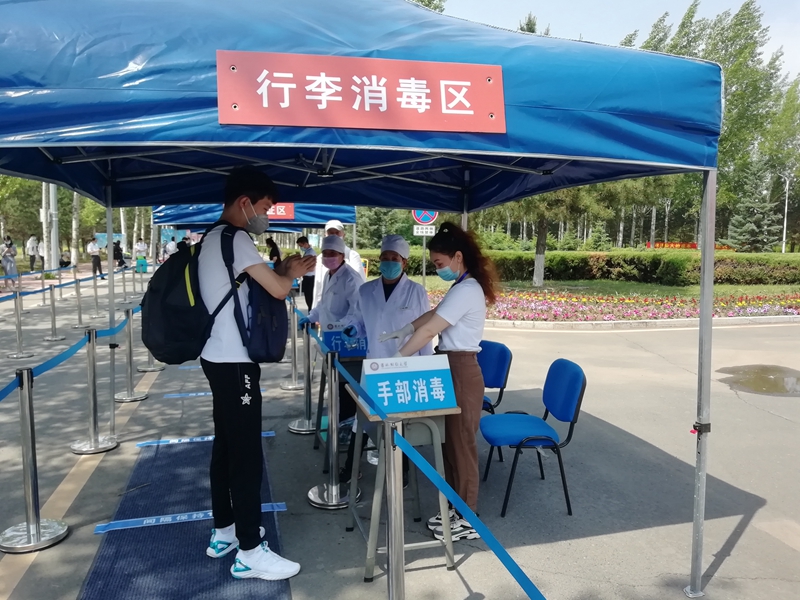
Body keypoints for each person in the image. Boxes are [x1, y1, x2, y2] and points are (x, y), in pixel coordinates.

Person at [199, 166, 314, 581]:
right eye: (264, 207)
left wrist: (283, 272)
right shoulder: (236, 238)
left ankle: (225, 530)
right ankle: (249, 550)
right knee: (246, 454)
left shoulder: (211, 238)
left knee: (226, 446)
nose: (266, 215)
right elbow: (278, 289)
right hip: (235, 362)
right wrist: (292, 273)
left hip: (215, 355)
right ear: (245, 203)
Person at [384, 222, 499, 542]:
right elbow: (433, 315)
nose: (437, 269)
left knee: (461, 445)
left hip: (460, 369)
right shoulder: (461, 286)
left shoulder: (467, 289)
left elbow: (430, 329)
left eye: (439, 263)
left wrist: (397, 358)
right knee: (449, 443)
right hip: (450, 366)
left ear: (458, 257)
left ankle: (468, 516)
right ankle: (455, 505)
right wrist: (405, 329)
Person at [340, 234, 432, 482]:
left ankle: (402, 471)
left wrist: (427, 365)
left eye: (394, 258)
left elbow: (425, 331)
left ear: (404, 262)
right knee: (364, 418)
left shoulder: (416, 292)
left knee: (400, 421)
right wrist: (352, 329)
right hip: (375, 364)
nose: (389, 262)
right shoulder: (366, 290)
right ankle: (350, 467)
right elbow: (359, 320)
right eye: (385, 257)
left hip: (405, 366)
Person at [299, 235, 362, 424]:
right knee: (335, 385)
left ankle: (347, 426)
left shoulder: (351, 279)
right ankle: (338, 423)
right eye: (325, 253)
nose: (328, 257)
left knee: (346, 387)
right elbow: (323, 304)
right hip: (330, 340)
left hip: (346, 341)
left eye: (332, 253)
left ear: (342, 255)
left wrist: (340, 327)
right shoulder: (329, 274)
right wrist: (311, 317)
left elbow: (357, 312)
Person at [311, 219, 365, 307]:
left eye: (337, 233)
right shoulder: (322, 261)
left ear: (343, 235)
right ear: (325, 235)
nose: (334, 236)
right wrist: (315, 311)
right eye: (330, 233)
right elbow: (318, 287)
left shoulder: (352, 256)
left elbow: (359, 290)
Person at [296, 236, 316, 310]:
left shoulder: (311, 253)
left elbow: (311, 267)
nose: (301, 247)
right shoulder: (307, 252)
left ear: (305, 244)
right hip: (307, 277)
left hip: (310, 278)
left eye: (301, 246)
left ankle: (311, 313)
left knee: (310, 298)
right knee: (308, 297)